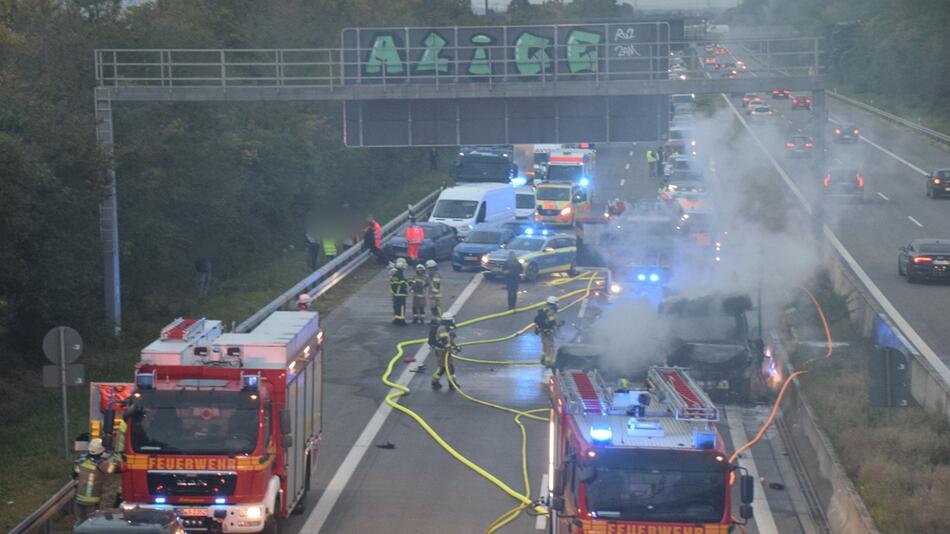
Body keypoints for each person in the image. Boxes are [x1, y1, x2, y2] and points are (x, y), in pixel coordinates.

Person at [72, 438, 117, 524]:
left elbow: (74, 475)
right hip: (92, 501)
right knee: (92, 523)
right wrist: (115, 460)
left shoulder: (81, 461)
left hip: (79, 499)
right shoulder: (101, 464)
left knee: (79, 522)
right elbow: (113, 469)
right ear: (101, 451)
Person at [430, 312, 459, 390]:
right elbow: (444, 341)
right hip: (441, 351)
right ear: (448, 321)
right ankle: (451, 384)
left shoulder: (447, 328)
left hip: (445, 351)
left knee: (447, 367)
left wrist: (455, 347)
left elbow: (450, 340)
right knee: (445, 367)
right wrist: (449, 347)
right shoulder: (442, 328)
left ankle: (438, 382)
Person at [534, 296, 560, 367]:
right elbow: (551, 322)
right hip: (548, 331)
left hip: (542, 330)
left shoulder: (544, 310)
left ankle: (543, 358)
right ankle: (548, 361)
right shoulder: (551, 312)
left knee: (545, 345)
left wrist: (537, 329)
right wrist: (554, 326)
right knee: (550, 346)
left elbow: (537, 320)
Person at [389, 259, 409, 325]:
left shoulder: (395, 274)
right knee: (401, 307)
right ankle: (401, 321)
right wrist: (408, 284)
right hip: (400, 294)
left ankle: (396, 319)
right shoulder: (399, 274)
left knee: (396, 307)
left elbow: (394, 283)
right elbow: (402, 283)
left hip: (395, 294)